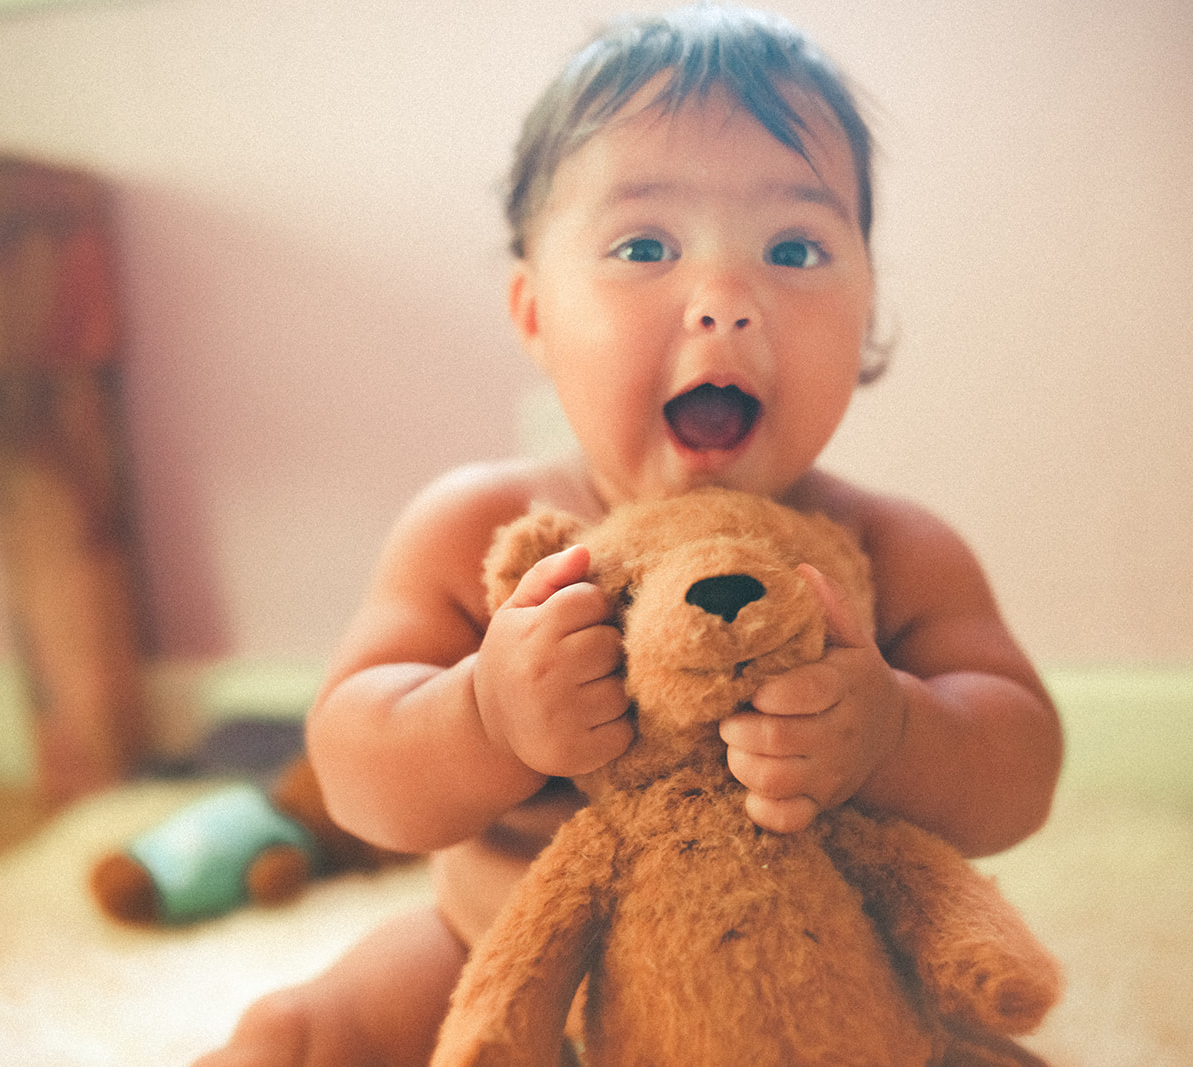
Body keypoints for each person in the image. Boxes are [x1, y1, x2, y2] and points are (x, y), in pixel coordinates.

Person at [195, 6, 1061, 1065]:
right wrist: (484, 713)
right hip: (511, 958)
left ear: (866, 300)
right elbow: (353, 766)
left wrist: (892, 731)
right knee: (305, 1033)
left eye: (794, 247)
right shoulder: (478, 528)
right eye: (645, 245)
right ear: (533, 312)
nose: (724, 301)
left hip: (806, 976)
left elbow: (1020, 763)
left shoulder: (890, 548)